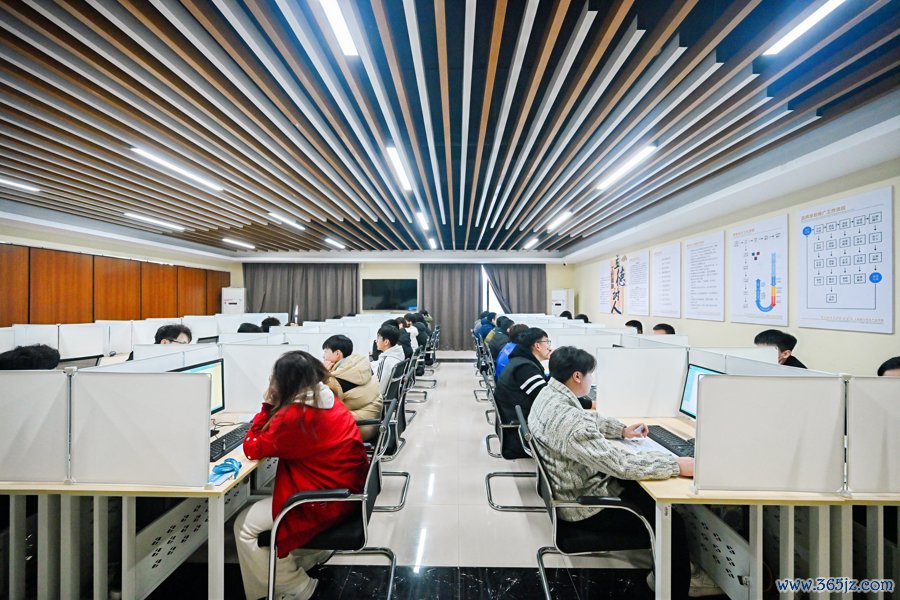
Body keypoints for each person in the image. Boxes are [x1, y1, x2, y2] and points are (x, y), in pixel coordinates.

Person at [528, 346, 693, 598]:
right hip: (584, 507)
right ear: (577, 376)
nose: (592, 379)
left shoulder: (548, 395)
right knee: (673, 522)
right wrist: (675, 465)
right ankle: (674, 589)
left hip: (572, 487)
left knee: (643, 491)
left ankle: (669, 573)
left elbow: (587, 420)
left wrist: (621, 431)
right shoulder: (572, 424)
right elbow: (622, 466)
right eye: (590, 374)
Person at [234, 351, 368, 600]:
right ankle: (307, 558)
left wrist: (267, 404)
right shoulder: (325, 397)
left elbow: (252, 447)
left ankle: (295, 587)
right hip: (345, 491)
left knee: (244, 525)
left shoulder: (297, 415)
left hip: (323, 501)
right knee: (261, 505)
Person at [322, 335, 383, 441]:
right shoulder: (360, 364)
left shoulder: (338, 379)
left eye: (326, 352)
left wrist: (323, 374)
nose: (323, 356)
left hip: (360, 427)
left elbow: (324, 402)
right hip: (373, 419)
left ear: (337, 354)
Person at [370, 325, 404, 396]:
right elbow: (379, 364)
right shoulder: (397, 354)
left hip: (378, 398)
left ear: (386, 342)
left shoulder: (386, 361)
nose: (376, 341)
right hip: (391, 396)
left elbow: (378, 389)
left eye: (378, 338)